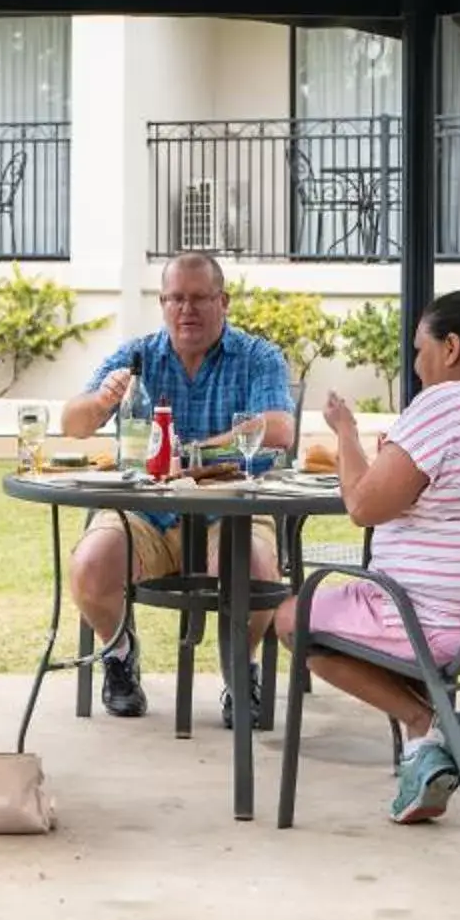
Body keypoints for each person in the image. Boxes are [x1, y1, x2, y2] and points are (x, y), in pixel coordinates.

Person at [272, 281, 460, 825]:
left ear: (452, 348)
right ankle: (422, 760)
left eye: (419, 350)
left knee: (296, 619)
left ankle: (428, 722)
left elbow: (363, 506)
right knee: (369, 614)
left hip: (440, 621)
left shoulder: (442, 406)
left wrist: (346, 435)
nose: (416, 365)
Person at [56, 252, 296, 719]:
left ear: (223, 301)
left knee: (256, 567)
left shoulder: (257, 356)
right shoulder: (138, 356)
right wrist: (103, 399)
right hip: (145, 512)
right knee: (89, 565)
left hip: (231, 509)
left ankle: (239, 669)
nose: (187, 309)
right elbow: (73, 423)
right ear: (163, 303)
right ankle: (120, 653)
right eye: (176, 298)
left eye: (200, 298)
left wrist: (194, 455)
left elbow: (279, 429)